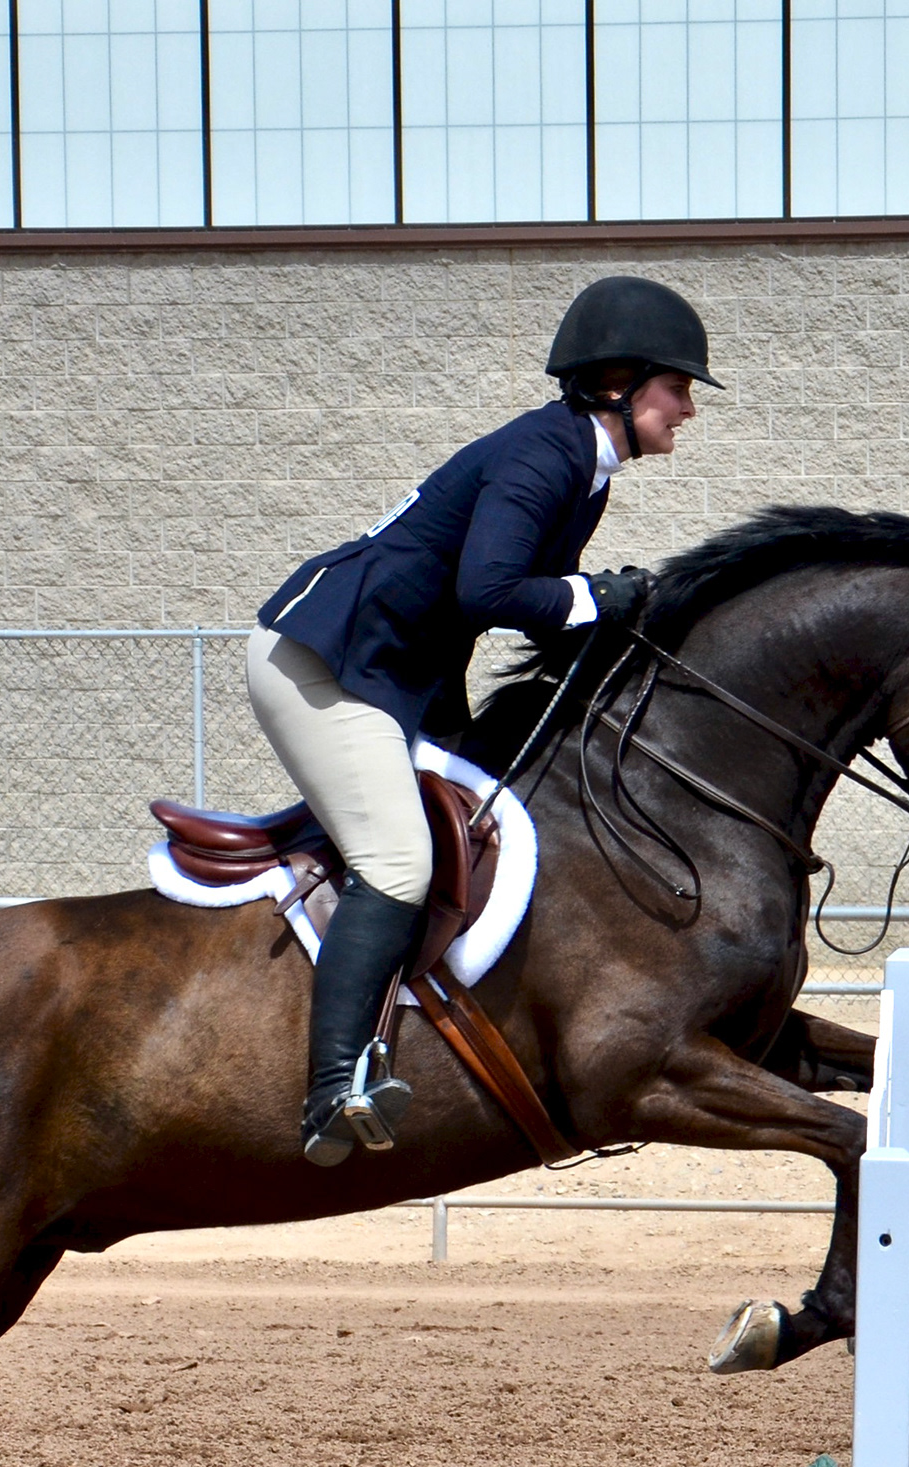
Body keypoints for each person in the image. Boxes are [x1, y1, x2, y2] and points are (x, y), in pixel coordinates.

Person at [248, 275, 716, 1165]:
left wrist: (600, 608)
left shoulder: (582, 466)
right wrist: (593, 595)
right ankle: (331, 1090)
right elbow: (491, 591)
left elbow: (522, 603)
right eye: (679, 387)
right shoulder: (546, 457)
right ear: (620, 382)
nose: (688, 409)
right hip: (324, 664)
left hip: (400, 674)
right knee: (397, 859)